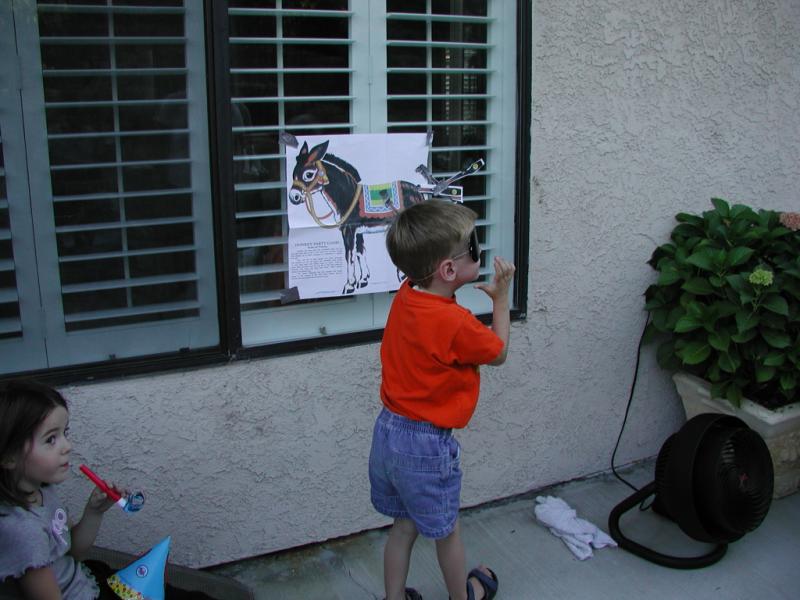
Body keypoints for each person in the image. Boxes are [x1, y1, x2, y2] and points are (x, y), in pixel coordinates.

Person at [369, 199, 515, 600]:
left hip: (388, 433)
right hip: (425, 444)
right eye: (474, 246)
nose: (480, 251)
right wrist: (500, 299)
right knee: (447, 531)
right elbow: (499, 352)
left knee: (403, 526)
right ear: (449, 270)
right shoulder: (455, 323)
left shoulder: (406, 295)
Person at [0, 380, 213, 600]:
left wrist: (94, 512)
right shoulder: (24, 532)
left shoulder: (42, 492)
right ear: (9, 457)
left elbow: (74, 552)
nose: (67, 446)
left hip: (87, 579)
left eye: (65, 433)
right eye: (51, 439)